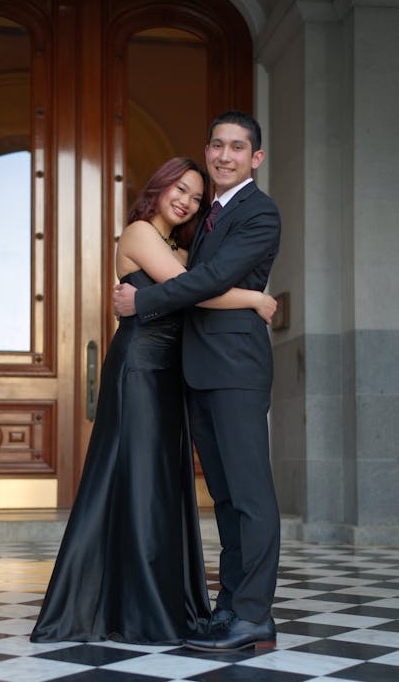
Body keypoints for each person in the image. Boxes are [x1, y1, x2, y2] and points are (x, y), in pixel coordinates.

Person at [31, 156, 277, 645]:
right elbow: (194, 291)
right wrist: (255, 299)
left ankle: (163, 603)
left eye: (195, 196)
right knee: (137, 481)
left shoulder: (180, 247)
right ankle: (136, 611)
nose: (185, 200)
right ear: (159, 186)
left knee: (161, 486)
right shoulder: (140, 232)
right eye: (178, 189)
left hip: (171, 375)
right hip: (140, 369)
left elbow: (195, 285)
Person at [113, 111, 282, 652]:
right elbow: (194, 278)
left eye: (237, 147)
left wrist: (143, 301)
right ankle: (230, 607)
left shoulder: (260, 212)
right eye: (217, 145)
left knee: (251, 496)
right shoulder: (207, 217)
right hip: (200, 371)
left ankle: (253, 615)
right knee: (228, 498)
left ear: (254, 158)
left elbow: (205, 282)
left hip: (235, 369)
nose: (224, 156)